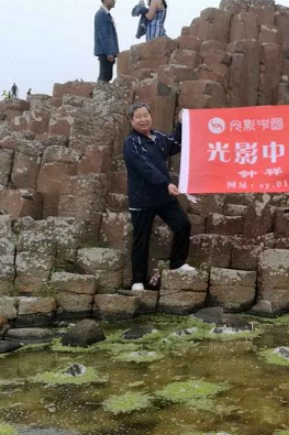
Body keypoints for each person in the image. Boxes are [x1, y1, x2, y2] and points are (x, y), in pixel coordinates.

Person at [123, 102, 194, 291]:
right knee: (141, 239)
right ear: (131, 121)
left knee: (183, 225)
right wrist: (166, 183)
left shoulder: (158, 137)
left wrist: (181, 124)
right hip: (142, 199)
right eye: (138, 117)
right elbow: (145, 167)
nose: (143, 119)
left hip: (163, 197)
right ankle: (138, 280)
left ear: (151, 116)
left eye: (145, 115)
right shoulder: (131, 143)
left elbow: (176, 144)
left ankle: (177, 263)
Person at [94, 0, 120, 83]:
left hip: (107, 51)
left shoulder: (106, 14)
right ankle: (99, 90)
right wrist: (109, 52)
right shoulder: (101, 14)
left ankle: (101, 90)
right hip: (105, 52)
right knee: (104, 77)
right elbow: (103, 35)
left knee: (107, 76)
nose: (114, 1)